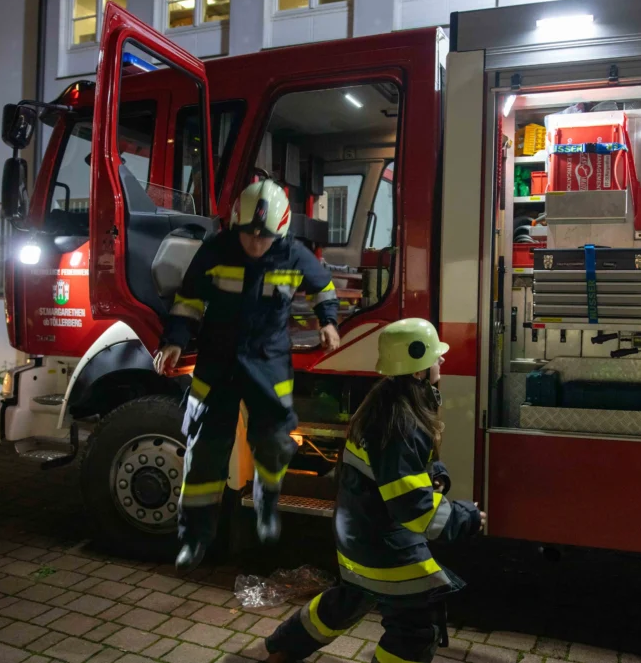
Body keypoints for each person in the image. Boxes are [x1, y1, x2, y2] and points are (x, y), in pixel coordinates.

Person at [265, 318, 484, 663]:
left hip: (356, 534)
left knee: (350, 599)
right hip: (381, 545)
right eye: (434, 357)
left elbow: (406, 472)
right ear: (417, 371)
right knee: (414, 630)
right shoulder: (402, 423)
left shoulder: (385, 404)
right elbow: (414, 509)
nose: (441, 361)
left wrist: (436, 477)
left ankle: (283, 647)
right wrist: (467, 517)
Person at [158, 179, 342, 571]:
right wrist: (174, 340)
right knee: (204, 454)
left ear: (282, 230)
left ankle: (267, 504)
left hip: (268, 363)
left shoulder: (295, 255)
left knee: (274, 442)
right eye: (248, 234)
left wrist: (328, 321)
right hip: (217, 364)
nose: (256, 243)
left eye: (264, 236)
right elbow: (188, 300)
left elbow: (323, 288)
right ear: (235, 225)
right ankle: (194, 538)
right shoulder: (215, 251)